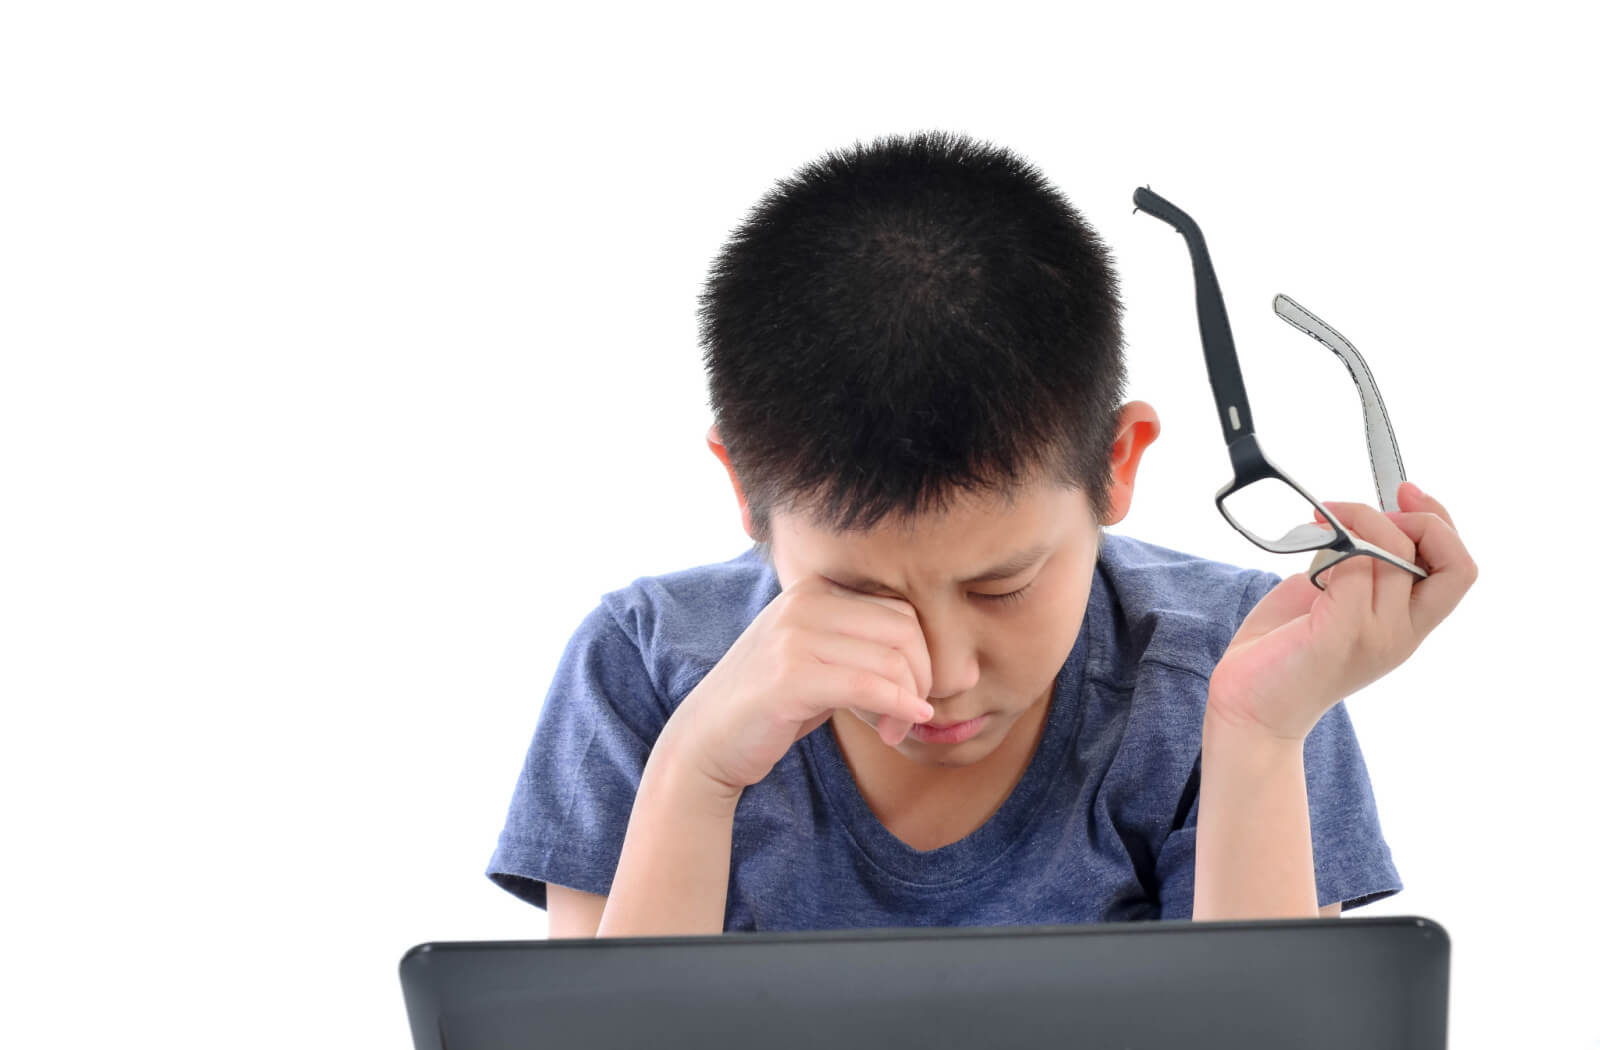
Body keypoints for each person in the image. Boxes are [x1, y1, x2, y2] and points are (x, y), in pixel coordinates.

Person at [485, 130, 1477, 937]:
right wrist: (698, 767)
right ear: (745, 492)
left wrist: (1260, 738)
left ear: (1117, 463)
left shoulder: (1237, 668)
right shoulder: (643, 670)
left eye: (1001, 586)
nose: (942, 674)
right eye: (860, 595)